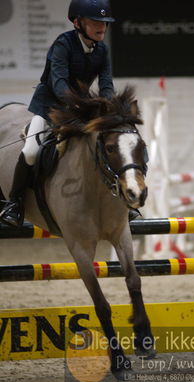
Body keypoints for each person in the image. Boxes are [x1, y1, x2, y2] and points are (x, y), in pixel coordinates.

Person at [0, 0, 115, 227]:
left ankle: (116, 200)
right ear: (77, 22)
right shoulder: (63, 44)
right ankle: (14, 203)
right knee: (32, 150)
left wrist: (107, 108)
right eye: (95, 22)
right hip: (49, 106)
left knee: (108, 144)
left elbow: (106, 84)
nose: (101, 27)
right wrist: (78, 106)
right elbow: (59, 82)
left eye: (104, 22)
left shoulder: (102, 49)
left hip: (82, 108)